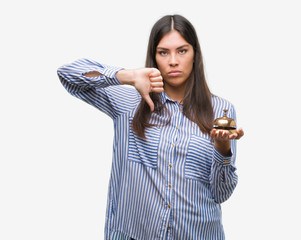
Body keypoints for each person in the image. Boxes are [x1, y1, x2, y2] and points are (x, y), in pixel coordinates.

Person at [57, 14, 244, 240]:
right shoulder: (128, 102)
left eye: (182, 51)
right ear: (154, 57)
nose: (173, 61)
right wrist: (127, 75)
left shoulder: (221, 110)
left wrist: (223, 149)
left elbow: (221, 194)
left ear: (195, 54)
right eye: (163, 52)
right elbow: (68, 74)